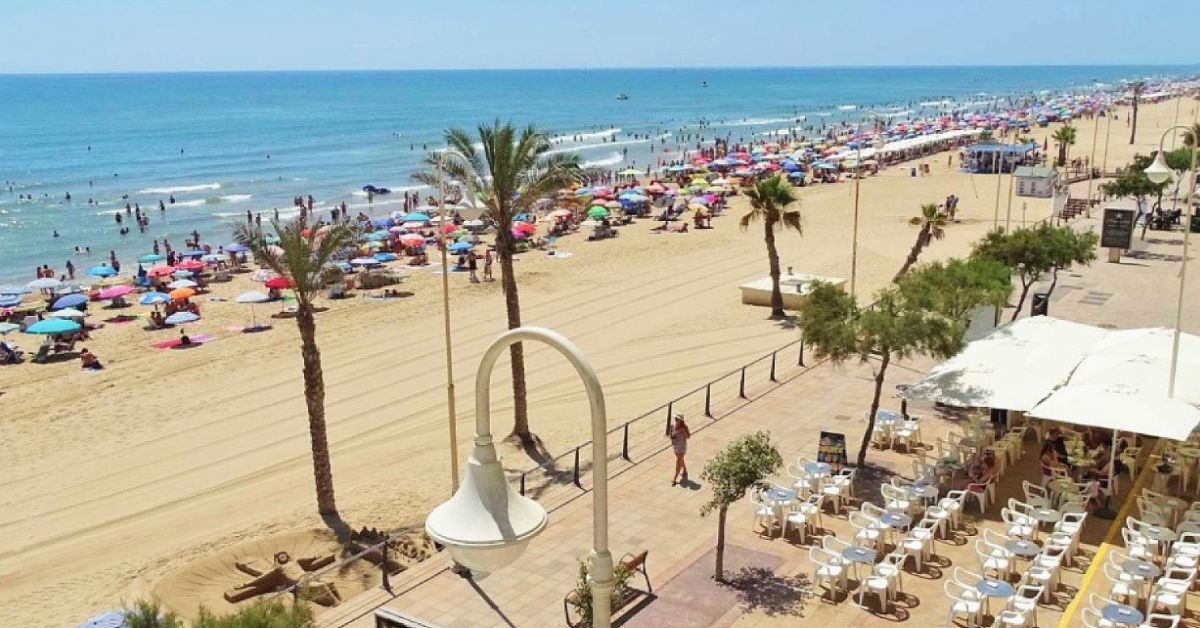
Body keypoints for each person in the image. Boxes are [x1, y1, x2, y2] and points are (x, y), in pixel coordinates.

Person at [669, 414, 690, 486]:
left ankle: (674, 479)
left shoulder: (684, 427)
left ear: (681, 420)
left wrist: (683, 432)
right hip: (675, 445)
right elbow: (670, 435)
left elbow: (688, 436)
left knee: (678, 462)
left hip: (682, 446)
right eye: (675, 418)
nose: (676, 420)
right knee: (680, 459)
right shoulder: (672, 426)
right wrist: (672, 436)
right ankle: (685, 470)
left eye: (677, 419)